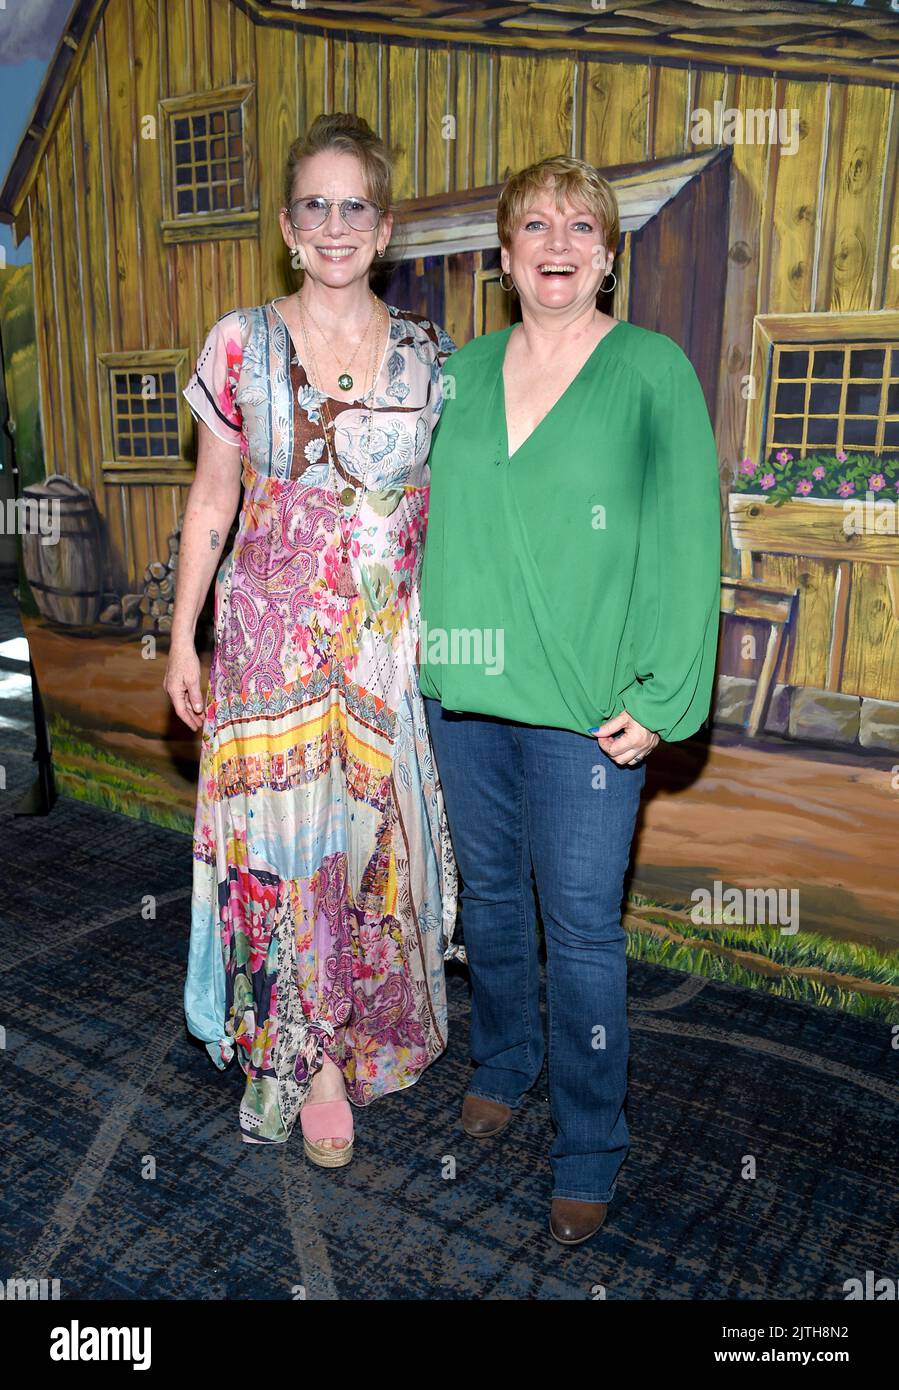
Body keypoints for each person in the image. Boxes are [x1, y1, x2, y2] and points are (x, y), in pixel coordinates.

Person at [418, 154, 721, 1243]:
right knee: (490, 902)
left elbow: (690, 540)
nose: (556, 242)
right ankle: (503, 1055)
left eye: (579, 227)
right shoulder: (457, 372)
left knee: (582, 930)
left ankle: (590, 1140)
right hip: (464, 691)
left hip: (590, 710)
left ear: (606, 253)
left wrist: (665, 693)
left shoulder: (651, 371)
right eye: (535, 225)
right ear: (504, 255)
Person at [165, 112, 457, 1164]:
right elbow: (210, 497)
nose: (335, 224)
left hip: (381, 649)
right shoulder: (238, 342)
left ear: (382, 229)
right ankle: (308, 1054)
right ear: (288, 226)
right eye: (315, 205)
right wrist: (179, 637)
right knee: (287, 850)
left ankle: (362, 1018)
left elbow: (455, 502)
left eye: (355, 205)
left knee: (369, 843)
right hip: (265, 646)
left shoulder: (429, 355)